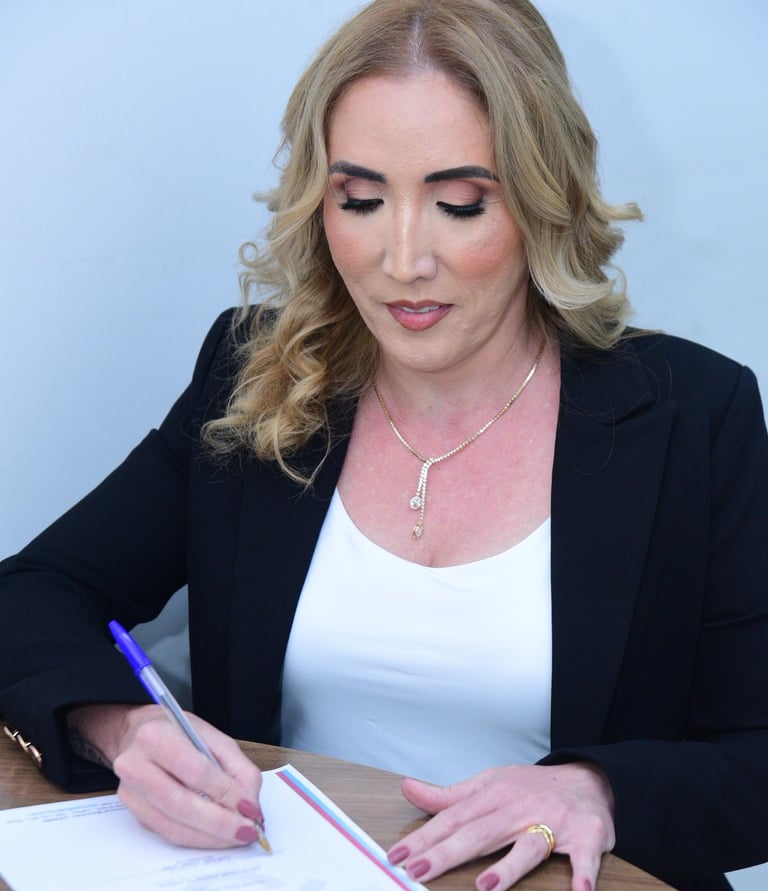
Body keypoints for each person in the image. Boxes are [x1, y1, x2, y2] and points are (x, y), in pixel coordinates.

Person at [1, 1, 767, 889]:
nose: (404, 258)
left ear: (541, 195)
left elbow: (756, 756)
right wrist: (122, 724)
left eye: (458, 203)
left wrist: (598, 789)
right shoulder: (257, 374)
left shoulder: (693, 413)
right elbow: (33, 593)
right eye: (360, 199)